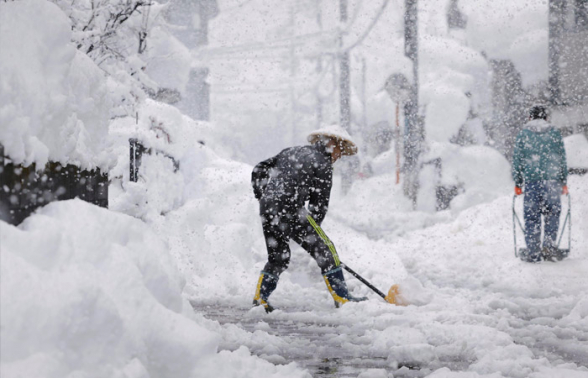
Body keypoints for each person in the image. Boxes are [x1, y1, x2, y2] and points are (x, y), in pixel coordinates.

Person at [251, 125, 367, 312]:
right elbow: (319, 205)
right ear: (333, 145)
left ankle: (260, 298)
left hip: (268, 208)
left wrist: (263, 196)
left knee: (278, 257)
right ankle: (342, 297)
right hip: (291, 208)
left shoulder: (291, 151)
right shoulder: (322, 163)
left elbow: (259, 169)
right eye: (340, 152)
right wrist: (312, 235)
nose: (339, 157)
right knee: (326, 249)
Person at [512, 105, 569, 262]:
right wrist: (563, 181)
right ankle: (549, 249)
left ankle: (533, 252)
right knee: (552, 215)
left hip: (532, 182)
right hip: (552, 182)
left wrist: (518, 182)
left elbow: (517, 160)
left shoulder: (523, 134)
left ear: (530, 118)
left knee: (532, 217)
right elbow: (561, 158)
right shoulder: (554, 133)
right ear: (546, 118)